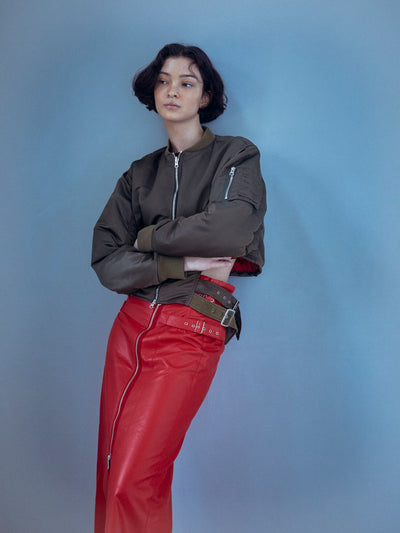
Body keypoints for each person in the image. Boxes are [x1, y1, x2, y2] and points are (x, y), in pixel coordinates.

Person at [91, 43, 266, 533]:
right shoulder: (138, 175)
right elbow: (105, 259)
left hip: (192, 321)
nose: (172, 90)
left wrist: (147, 239)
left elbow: (230, 230)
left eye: (187, 82)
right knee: (112, 475)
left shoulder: (236, 155)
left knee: (133, 481)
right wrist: (182, 260)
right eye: (164, 81)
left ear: (204, 96)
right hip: (130, 326)